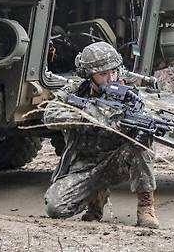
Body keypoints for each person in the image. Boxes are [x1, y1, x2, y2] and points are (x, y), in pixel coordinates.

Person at [43, 41, 159, 229]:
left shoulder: (129, 94)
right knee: (55, 208)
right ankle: (97, 198)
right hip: (83, 164)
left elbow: (143, 120)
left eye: (113, 72)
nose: (110, 78)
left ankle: (146, 206)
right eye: (103, 74)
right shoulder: (76, 90)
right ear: (89, 76)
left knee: (144, 140)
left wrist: (125, 124)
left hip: (116, 161)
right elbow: (49, 114)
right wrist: (88, 117)